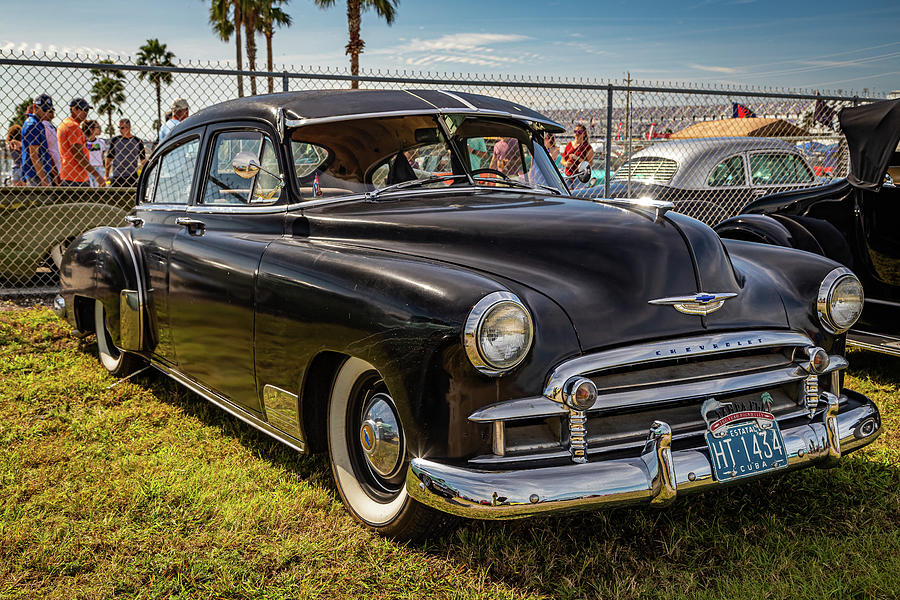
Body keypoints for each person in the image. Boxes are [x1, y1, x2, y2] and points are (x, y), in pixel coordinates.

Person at [58, 98, 104, 187]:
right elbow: (78, 154)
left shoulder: (65, 123)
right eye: (83, 109)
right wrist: (97, 175)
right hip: (76, 177)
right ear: (74, 109)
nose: (86, 113)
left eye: (87, 110)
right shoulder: (73, 126)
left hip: (68, 174)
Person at [20, 94, 55, 186]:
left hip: (38, 172)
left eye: (48, 109)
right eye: (43, 109)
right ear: (35, 107)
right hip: (36, 175)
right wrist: (43, 179)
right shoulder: (33, 125)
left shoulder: (38, 123)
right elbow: (34, 155)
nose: (46, 112)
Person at [106, 118, 146, 187]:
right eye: (119, 128)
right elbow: (109, 158)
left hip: (132, 176)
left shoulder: (137, 141)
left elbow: (143, 160)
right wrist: (106, 175)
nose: (120, 130)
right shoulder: (115, 140)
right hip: (117, 176)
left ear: (129, 127)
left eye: (122, 128)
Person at [82, 119, 107, 187]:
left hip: (98, 168)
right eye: (98, 127)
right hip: (87, 168)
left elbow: (102, 157)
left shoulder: (101, 142)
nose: (100, 129)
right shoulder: (83, 142)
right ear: (91, 129)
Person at [43, 108, 61, 183]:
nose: (52, 113)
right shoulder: (43, 125)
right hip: (51, 167)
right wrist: (54, 171)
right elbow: (46, 149)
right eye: (50, 111)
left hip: (57, 165)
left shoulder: (50, 125)